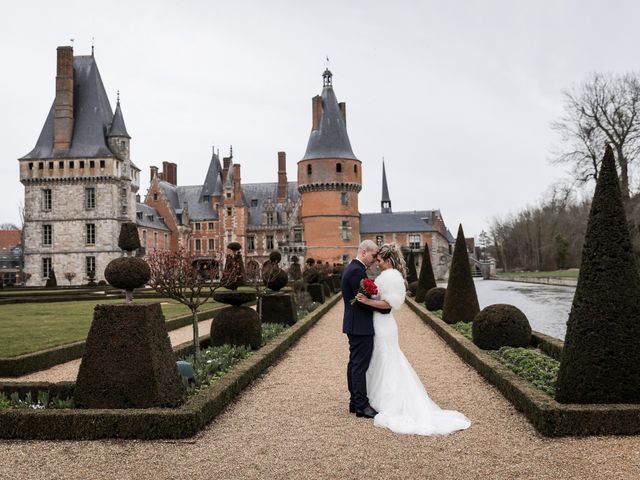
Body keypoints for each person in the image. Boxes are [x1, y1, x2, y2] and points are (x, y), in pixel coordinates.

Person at [356, 243, 471, 435]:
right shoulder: (388, 276)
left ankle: (389, 401)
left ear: (389, 261)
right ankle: (376, 397)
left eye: (380, 260)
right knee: (384, 359)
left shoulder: (391, 277)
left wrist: (367, 300)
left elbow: (390, 304)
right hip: (380, 323)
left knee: (387, 359)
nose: (377, 264)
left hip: (384, 324)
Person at [341, 240, 391, 418]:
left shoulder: (352, 268)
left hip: (355, 324)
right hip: (360, 325)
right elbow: (363, 302)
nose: (374, 259)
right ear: (363, 253)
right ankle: (361, 405)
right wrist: (386, 307)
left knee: (354, 364)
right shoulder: (356, 271)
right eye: (373, 255)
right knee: (359, 366)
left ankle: (355, 402)